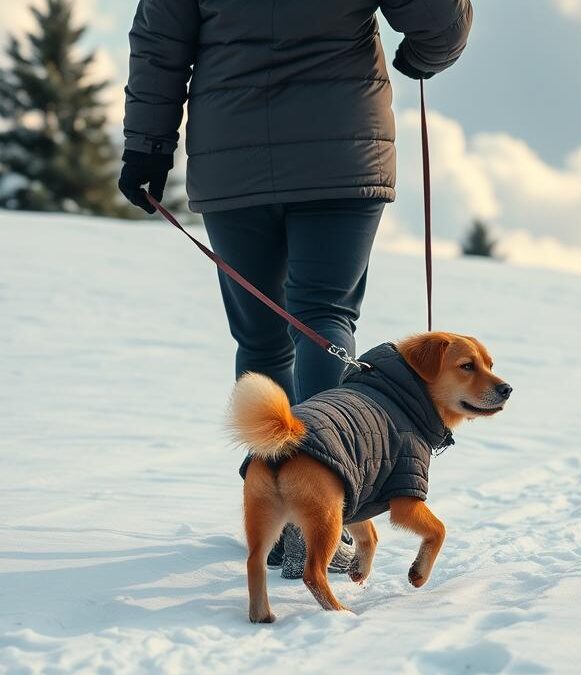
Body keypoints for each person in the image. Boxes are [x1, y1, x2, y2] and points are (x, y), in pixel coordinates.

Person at [120, 0, 474, 577]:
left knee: (260, 339)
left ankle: (282, 514)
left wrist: (149, 145)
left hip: (233, 160)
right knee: (323, 318)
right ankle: (324, 510)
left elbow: (160, 42)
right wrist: (426, 52)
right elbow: (438, 13)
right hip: (341, 151)